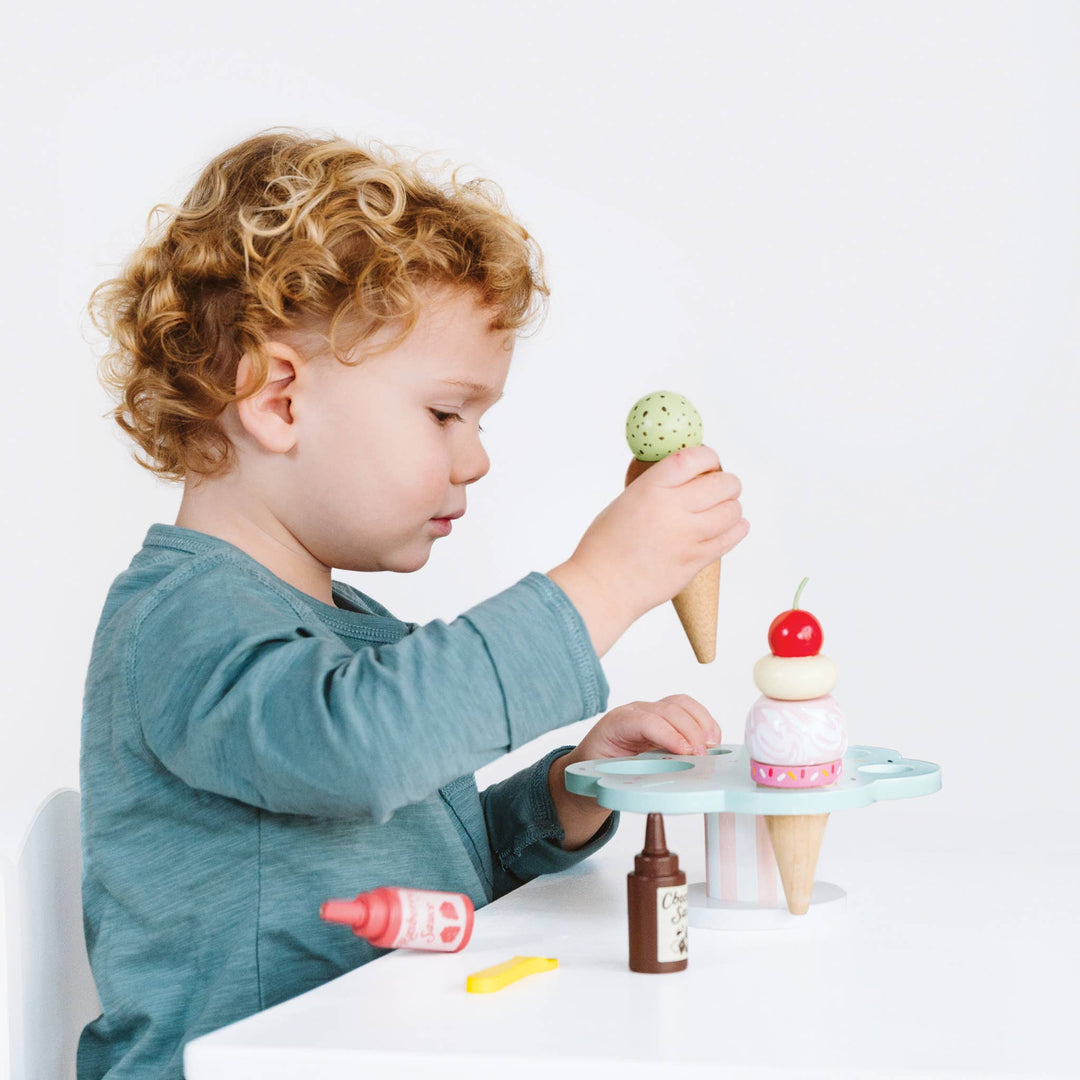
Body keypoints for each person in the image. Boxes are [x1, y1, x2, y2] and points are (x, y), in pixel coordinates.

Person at [78, 129, 748, 1078]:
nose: (475, 459)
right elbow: (357, 750)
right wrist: (603, 583)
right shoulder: (184, 619)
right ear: (279, 400)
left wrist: (558, 796)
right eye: (445, 413)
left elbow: (419, 876)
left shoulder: (332, 625)